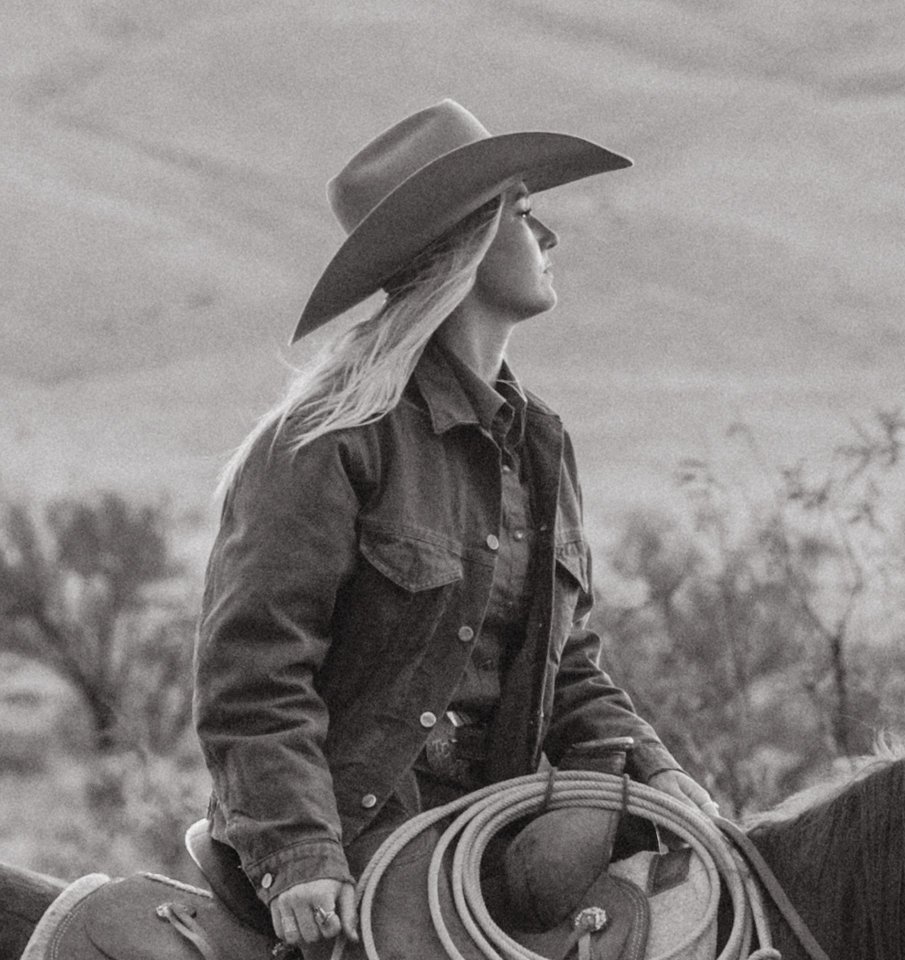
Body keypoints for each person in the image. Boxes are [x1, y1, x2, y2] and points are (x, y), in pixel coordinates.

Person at [194, 99, 717, 954]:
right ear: (467, 241)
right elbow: (255, 675)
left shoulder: (538, 444)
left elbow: (567, 663)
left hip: (491, 832)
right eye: (522, 212)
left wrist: (659, 772)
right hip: (356, 835)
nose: (548, 236)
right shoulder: (331, 441)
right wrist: (299, 852)